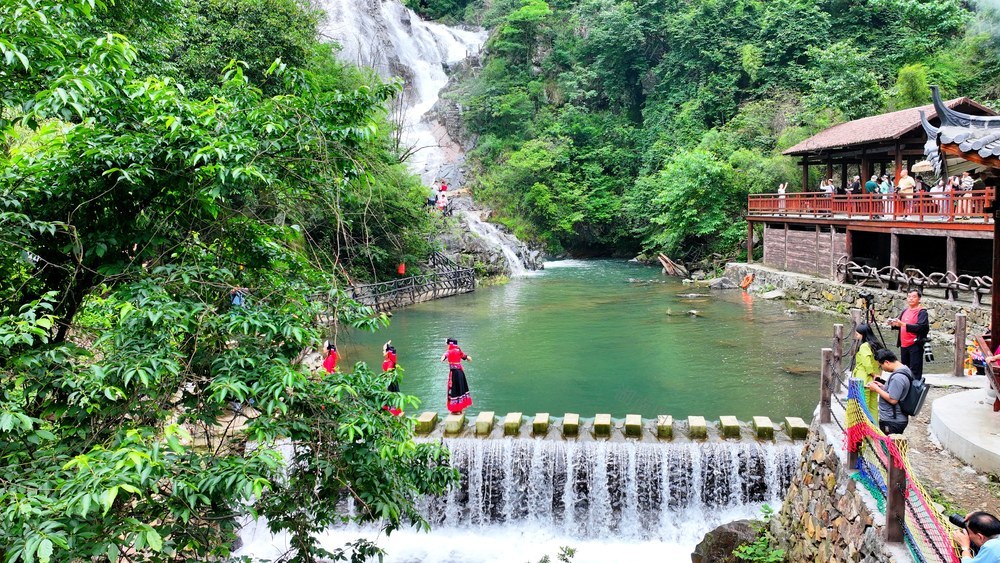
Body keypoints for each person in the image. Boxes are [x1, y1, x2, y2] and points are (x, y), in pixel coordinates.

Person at [867, 349, 911, 435]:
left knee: (888, 443)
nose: (882, 369)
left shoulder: (897, 377)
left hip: (892, 420)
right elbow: (898, 391)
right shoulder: (905, 369)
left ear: (887, 362)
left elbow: (893, 399)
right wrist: (882, 387)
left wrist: (876, 389)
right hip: (895, 418)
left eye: (881, 366)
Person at [889, 289, 930, 381]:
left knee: (915, 370)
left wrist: (903, 324)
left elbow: (921, 327)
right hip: (904, 344)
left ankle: (915, 388)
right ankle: (906, 386)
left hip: (915, 343)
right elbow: (901, 325)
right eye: (909, 296)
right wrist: (894, 324)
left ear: (919, 299)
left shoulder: (922, 312)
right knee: (905, 369)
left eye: (914, 297)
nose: (911, 299)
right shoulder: (905, 311)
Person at [852, 323, 885, 422]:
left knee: (863, 405)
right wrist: (877, 375)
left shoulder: (864, 346)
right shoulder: (877, 345)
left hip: (864, 379)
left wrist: (872, 374)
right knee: (873, 406)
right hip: (875, 380)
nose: (856, 335)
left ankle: (864, 427)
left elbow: (867, 363)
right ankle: (874, 426)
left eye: (857, 334)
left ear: (863, 334)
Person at [441, 337, 473, 414]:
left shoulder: (449, 351)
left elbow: (445, 355)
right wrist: (468, 358)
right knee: (461, 388)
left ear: (450, 344)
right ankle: (460, 408)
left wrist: (442, 358)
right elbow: (465, 357)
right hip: (460, 373)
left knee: (454, 390)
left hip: (454, 373)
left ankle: (455, 409)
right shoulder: (458, 350)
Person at [382, 341, 402, 415]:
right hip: (386, 380)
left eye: (384, 350)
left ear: (387, 352)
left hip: (390, 382)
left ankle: (393, 413)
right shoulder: (387, 360)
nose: (382, 352)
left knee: (391, 397)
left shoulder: (390, 362)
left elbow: (389, 374)